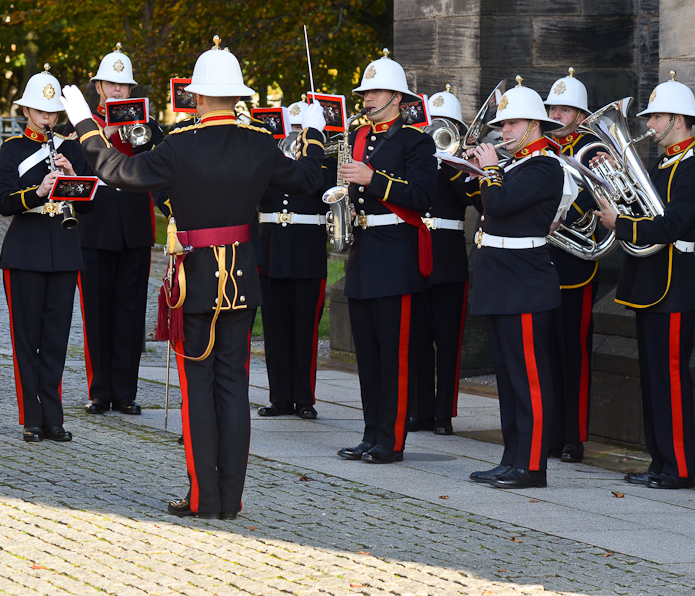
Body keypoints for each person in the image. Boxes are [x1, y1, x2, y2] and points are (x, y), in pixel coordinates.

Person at [61, 35, 326, 519]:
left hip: (196, 279)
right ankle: (231, 499)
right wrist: (313, 135)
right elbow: (310, 180)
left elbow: (118, 170)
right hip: (244, 277)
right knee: (234, 386)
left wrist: (83, 122)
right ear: (240, 97)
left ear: (197, 97)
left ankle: (204, 496)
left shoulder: (180, 146)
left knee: (197, 387)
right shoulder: (260, 144)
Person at [595, 72, 695, 490]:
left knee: (670, 378)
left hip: (674, 282)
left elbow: (673, 225)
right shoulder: (662, 164)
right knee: (653, 379)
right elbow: (644, 209)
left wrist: (622, 222)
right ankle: (660, 462)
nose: (648, 126)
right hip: (649, 280)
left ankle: (680, 468)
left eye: (656, 118)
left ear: (679, 120)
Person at [335, 49, 437, 464]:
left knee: (394, 356)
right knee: (369, 355)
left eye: (376, 92)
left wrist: (373, 178)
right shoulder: (355, 138)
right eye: (365, 92)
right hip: (362, 253)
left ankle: (391, 441)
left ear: (398, 97)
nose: (367, 99)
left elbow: (422, 196)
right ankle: (369, 432)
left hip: (396, 255)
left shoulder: (416, 140)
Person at [465, 77, 565, 488]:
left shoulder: (544, 165)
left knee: (530, 381)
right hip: (503, 280)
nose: (503, 131)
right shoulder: (513, 165)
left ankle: (533, 465)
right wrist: (471, 168)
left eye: (512, 123)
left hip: (525, 281)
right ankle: (512, 457)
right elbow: (483, 201)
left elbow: (501, 202)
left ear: (534, 126)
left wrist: (489, 171)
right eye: (502, 124)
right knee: (508, 379)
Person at [0, 64, 92, 443]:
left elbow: (88, 208)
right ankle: (31, 417)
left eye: (53, 112)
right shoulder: (13, 149)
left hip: (64, 252)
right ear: (27, 112)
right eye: (41, 111)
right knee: (26, 337)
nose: (48, 117)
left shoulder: (70, 149)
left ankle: (53, 415)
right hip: (25, 250)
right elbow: (1, 202)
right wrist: (38, 191)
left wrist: (73, 179)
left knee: (55, 338)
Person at [77, 43, 165, 416]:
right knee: (97, 311)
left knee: (130, 313)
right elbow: (76, 166)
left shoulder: (146, 123)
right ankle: (99, 391)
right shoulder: (83, 125)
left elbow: (163, 163)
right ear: (98, 87)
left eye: (123, 86)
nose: (117, 91)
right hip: (95, 228)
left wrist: (138, 133)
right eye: (111, 85)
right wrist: (107, 132)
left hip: (134, 228)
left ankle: (126, 391)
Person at [257, 100, 336, 421]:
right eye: (291, 131)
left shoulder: (323, 161)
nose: (294, 137)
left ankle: (304, 398)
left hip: (306, 252)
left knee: (305, 329)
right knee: (274, 329)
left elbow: (329, 191)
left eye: (300, 132)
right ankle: (280, 397)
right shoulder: (267, 158)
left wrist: (312, 157)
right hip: (271, 250)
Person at [541, 68, 604, 463]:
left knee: (573, 352)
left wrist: (557, 211)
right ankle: (548, 431)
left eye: (566, 109)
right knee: (544, 351)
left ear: (581, 116)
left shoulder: (594, 149)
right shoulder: (542, 145)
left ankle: (573, 437)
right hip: (541, 261)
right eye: (553, 108)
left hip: (576, 262)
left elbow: (598, 197)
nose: (559, 115)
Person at [408, 84, 472, 437]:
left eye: (445, 124)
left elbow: (472, 198)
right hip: (419, 251)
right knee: (418, 337)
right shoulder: (415, 156)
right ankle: (420, 410)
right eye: (433, 123)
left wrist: (453, 161)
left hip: (448, 254)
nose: (437, 131)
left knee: (449, 340)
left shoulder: (462, 164)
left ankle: (444, 413)